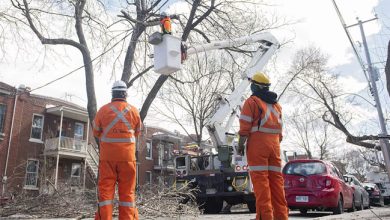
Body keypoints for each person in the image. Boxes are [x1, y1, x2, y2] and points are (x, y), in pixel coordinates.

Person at [238, 72, 288, 220]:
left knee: (261, 186)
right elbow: (279, 132)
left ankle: (265, 217)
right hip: (274, 147)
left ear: (256, 86)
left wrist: (241, 146)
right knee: (277, 185)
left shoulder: (252, 102)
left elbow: (244, 128)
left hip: (258, 147)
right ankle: (282, 217)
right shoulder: (276, 105)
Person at [93, 80, 141, 220]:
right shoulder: (134, 111)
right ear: (125, 94)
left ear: (112, 94)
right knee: (127, 194)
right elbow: (137, 132)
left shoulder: (102, 110)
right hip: (128, 159)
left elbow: (95, 132)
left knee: (106, 194)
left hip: (107, 159)